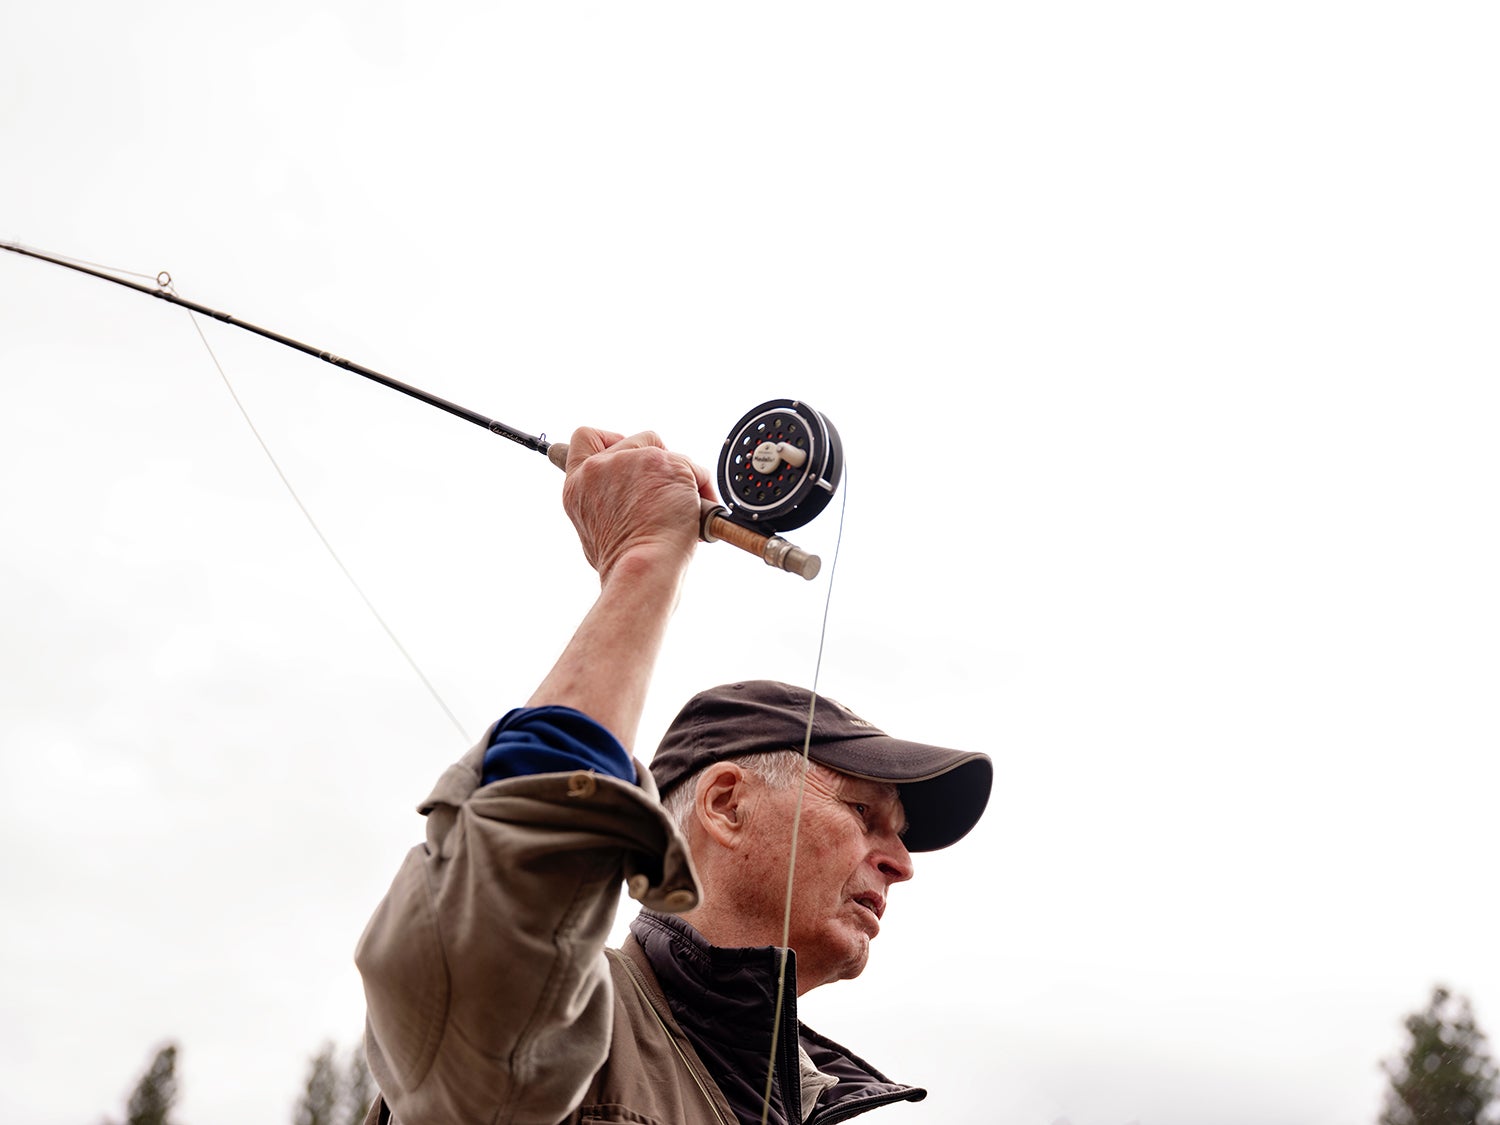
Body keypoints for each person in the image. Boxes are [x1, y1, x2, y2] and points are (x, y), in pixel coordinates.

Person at [355, 427, 993, 1125]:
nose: (901, 863)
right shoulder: (562, 1030)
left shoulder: (808, 1099)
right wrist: (643, 561)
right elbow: (500, 933)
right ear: (724, 805)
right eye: (864, 813)